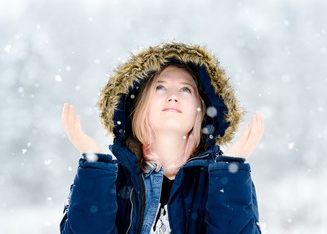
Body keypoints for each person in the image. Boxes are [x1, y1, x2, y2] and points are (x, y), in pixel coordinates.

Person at [60, 42, 264, 234]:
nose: (173, 96)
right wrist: (95, 165)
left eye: (186, 89)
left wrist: (230, 171)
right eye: (160, 87)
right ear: (139, 104)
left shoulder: (223, 178)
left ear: (200, 109)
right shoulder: (110, 178)